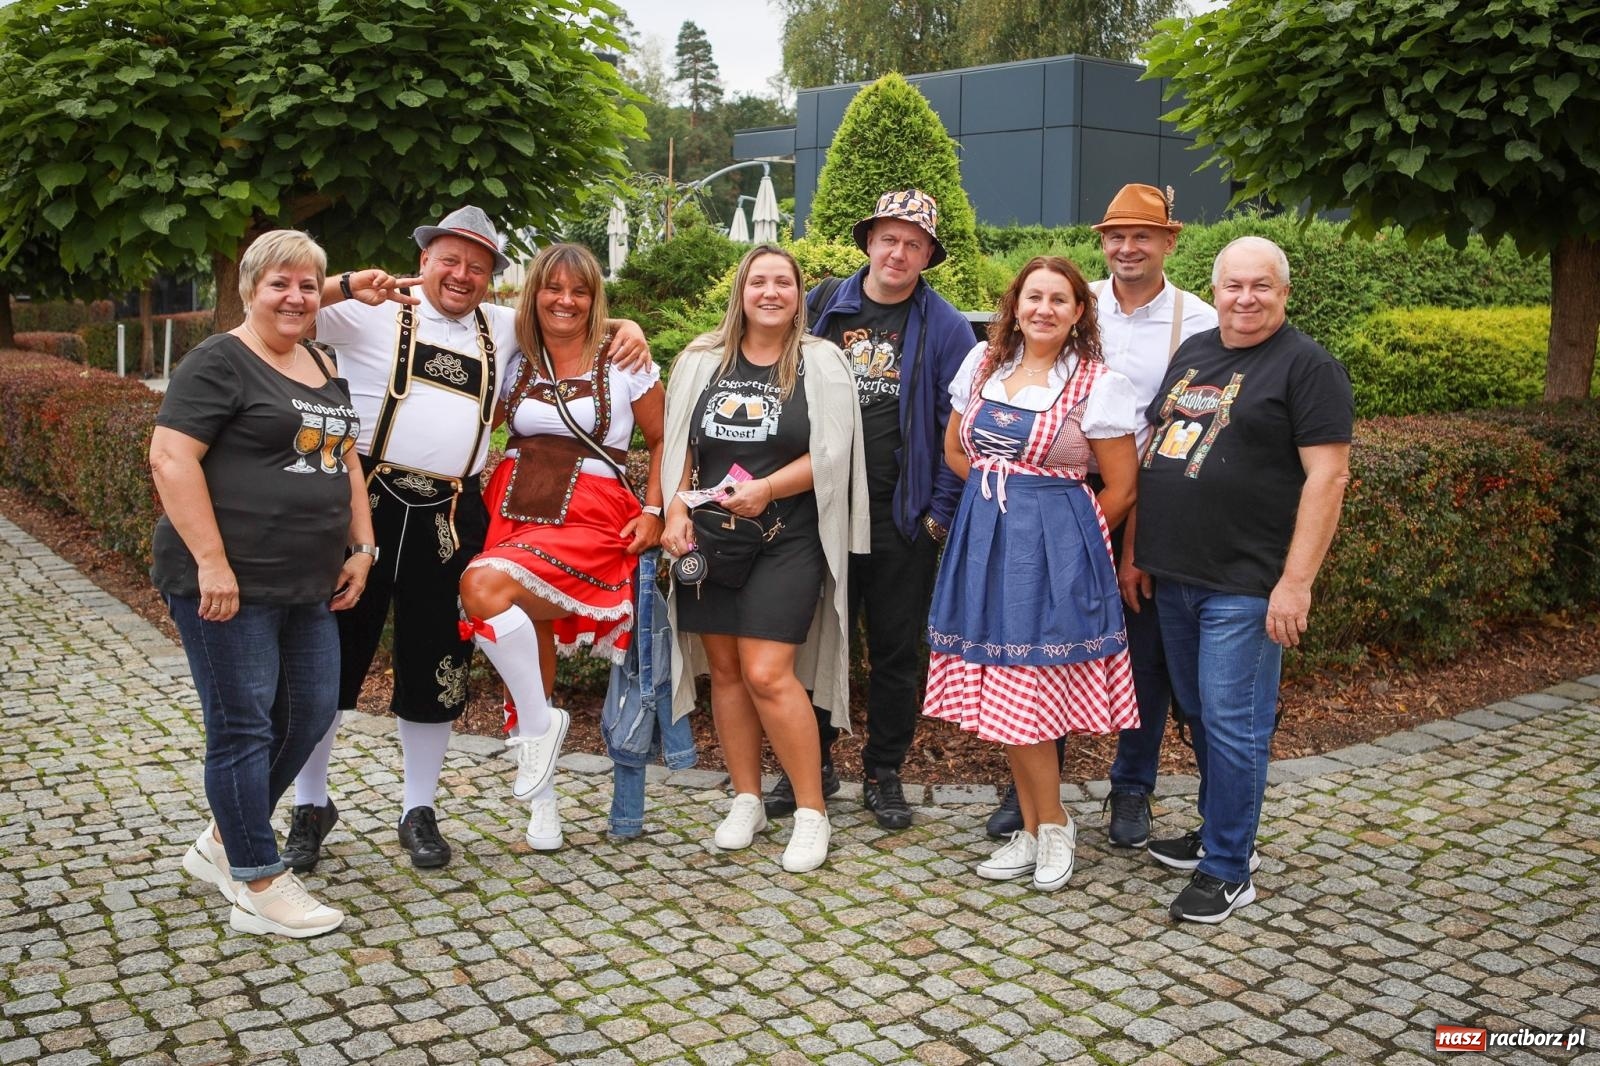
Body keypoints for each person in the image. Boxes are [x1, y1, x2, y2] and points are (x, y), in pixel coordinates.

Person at [283, 206, 651, 871]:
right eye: (449, 261)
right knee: (328, 659)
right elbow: (276, 310)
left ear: (492, 279)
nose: (461, 275)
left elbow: (569, 315)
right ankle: (311, 804)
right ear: (423, 260)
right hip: (360, 505)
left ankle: (418, 808)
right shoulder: (369, 307)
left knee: (436, 667)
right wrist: (340, 287)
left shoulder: (504, 328)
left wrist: (629, 327)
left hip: (447, 517)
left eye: (476, 267)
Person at [152, 230, 373, 938]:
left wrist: (361, 545)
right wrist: (213, 562)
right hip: (228, 584)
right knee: (242, 726)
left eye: (308, 285)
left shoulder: (320, 360)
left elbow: (347, 461)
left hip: (307, 582)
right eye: (280, 282)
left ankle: (221, 840)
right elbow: (170, 458)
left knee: (309, 716)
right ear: (251, 287)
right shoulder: (219, 360)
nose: (296, 296)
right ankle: (257, 879)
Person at [983, 184, 1217, 848]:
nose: (1127, 247)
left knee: (1142, 653)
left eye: (1142, 235)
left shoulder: (1196, 322)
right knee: (1038, 646)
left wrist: (1135, 543)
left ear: (1170, 241)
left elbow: (1186, 435)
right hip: (1054, 494)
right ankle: (1032, 789)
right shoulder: (1070, 300)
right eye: (1116, 235)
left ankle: (1133, 786)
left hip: (1143, 497)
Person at [1134, 236, 1353, 923]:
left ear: (1284, 293)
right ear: (1216, 288)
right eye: (1234, 285)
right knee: (1200, 716)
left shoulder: (1308, 367)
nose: (1246, 298)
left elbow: (1329, 475)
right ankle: (1225, 829)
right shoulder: (1195, 351)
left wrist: (1297, 582)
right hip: (1176, 572)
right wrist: (1140, 548)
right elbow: (1159, 448)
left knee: (1233, 723)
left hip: (1246, 581)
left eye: (1262, 286)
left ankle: (1230, 868)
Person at [922, 256, 1141, 892]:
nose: (1044, 309)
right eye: (1033, 297)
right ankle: (1033, 829)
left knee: (1030, 692)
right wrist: (1006, 495)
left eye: (1059, 300)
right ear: (1015, 306)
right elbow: (957, 453)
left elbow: (1122, 488)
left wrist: (1061, 534)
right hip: (985, 540)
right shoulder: (983, 366)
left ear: (1078, 313)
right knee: (1001, 688)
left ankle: (1054, 827)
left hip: (1055, 551)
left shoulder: (1098, 383)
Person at [765, 189, 973, 831]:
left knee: (892, 653)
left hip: (900, 516)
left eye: (914, 243)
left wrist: (938, 514)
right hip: (819, 509)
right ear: (869, 242)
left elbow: (957, 426)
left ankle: (885, 773)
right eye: (889, 238)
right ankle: (813, 766)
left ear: (928, 255)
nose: (899, 252)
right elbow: (752, 340)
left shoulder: (944, 326)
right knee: (815, 641)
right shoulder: (825, 304)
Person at [660, 244, 868, 873]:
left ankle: (811, 812)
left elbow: (834, 454)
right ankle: (746, 796)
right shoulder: (701, 361)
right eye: (759, 282)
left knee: (768, 672)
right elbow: (678, 451)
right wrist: (673, 513)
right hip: (712, 540)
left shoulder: (821, 362)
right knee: (724, 672)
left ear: (799, 294)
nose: (771, 292)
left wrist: (767, 489)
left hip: (789, 535)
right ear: (741, 292)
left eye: (784, 282)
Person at [458, 243, 665, 851]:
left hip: (594, 518)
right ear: (535, 293)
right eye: (553, 288)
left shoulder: (624, 357)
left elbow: (664, 440)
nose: (565, 301)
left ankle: (543, 731)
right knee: (528, 646)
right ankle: (542, 803)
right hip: (516, 510)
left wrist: (654, 510)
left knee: (483, 587)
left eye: (580, 291)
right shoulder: (515, 358)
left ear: (595, 298)